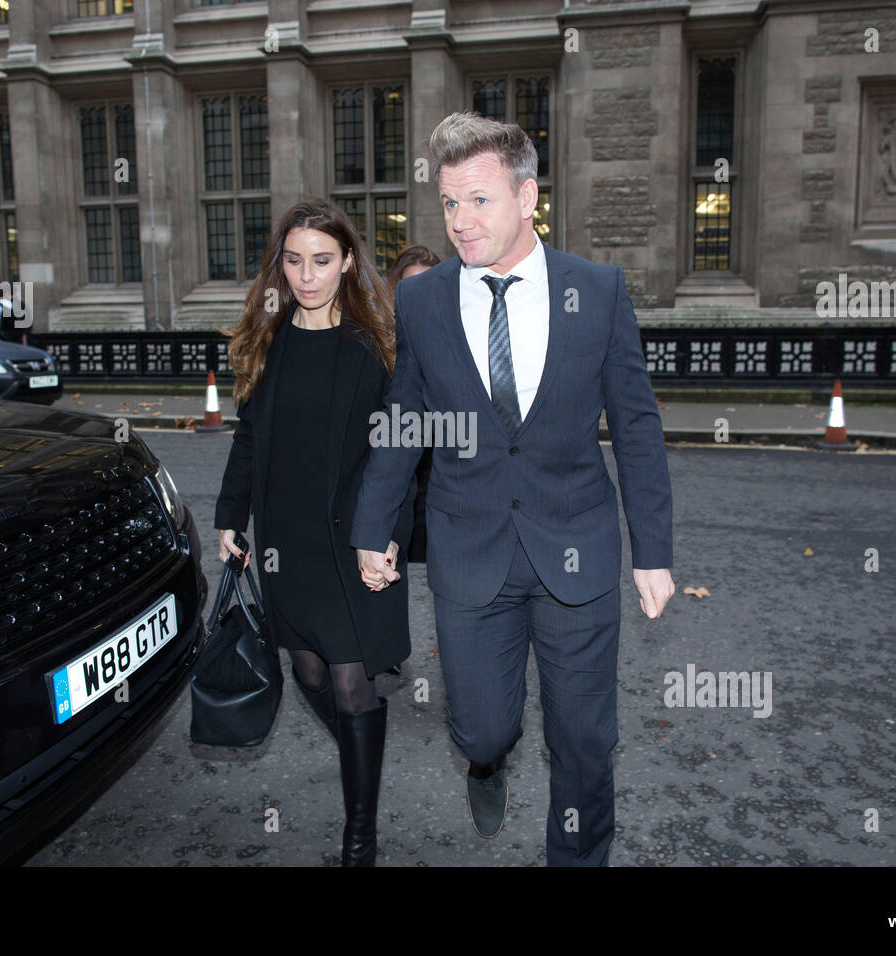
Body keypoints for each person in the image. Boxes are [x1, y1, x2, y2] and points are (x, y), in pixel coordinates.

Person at [352, 112, 676, 866]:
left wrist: (651, 551)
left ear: (527, 196)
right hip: (472, 552)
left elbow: (636, 426)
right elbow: (405, 418)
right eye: (451, 205)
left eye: (479, 201)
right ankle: (488, 760)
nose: (461, 222)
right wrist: (377, 525)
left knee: (586, 743)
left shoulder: (596, 292)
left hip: (577, 550)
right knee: (484, 727)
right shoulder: (425, 300)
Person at [214, 199, 415, 867]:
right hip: (285, 539)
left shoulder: (372, 347)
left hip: (354, 535)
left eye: (322, 261)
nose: (307, 275)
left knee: (353, 681)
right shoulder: (265, 344)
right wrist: (227, 517)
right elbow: (247, 441)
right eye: (294, 260)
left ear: (348, 262)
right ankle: (367, 749)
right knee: (306, 668)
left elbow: (401, 452)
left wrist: (389, 534)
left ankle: (361, 837)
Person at [385, 245, 442, 565]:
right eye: (410, 287)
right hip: (397, 474)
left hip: (440, 473)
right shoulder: (382, 344)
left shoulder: (457, 339)